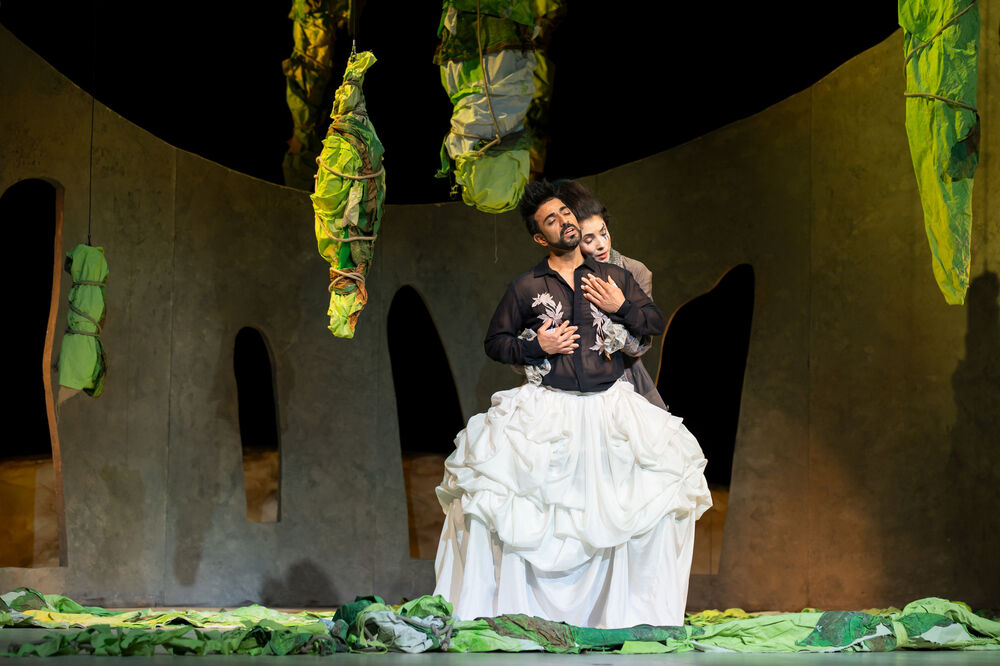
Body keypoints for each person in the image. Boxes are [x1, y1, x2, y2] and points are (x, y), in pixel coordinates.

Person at [433, 180, 712, 628]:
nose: (564, 221)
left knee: (636, 505)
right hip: (551, 408)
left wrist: (622, 306)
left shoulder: (613, 276)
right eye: (552, 219)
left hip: (609, 407)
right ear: (539, 237)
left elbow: (653, 321)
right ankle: (526, 612)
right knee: (527, 511)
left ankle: (623, 613)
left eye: (565, 212)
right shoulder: (526, 286)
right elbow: (495, 342)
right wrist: (536, 346)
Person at [556, 180, 668, 410]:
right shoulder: (557, 275)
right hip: (565, 383)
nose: (601, 245)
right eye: (589, 240)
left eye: (603, 233)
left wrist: (620, 307)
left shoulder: (634, 271)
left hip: (621, 380)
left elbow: (641, 344)